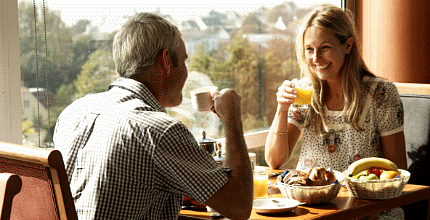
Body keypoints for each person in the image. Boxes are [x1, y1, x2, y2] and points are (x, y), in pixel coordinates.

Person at [54, 13, 252, 220]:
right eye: (183, 61)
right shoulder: (159, 129)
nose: (185, 71)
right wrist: (232, 120)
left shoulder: (73, 112)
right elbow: (239, 206)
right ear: (166, 60)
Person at [265, 4, 407, 219]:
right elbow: (275, 161)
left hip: (368, 209)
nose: (315, 58)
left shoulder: (380, 93)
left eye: (324, 48)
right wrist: (282, 109)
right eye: (309, 49)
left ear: (348, 45)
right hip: (313, 209)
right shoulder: (305, 92)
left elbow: (396, 170)